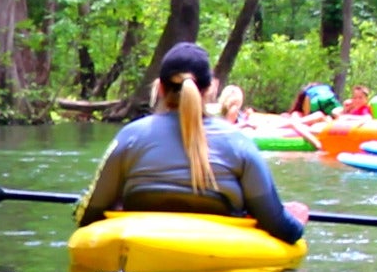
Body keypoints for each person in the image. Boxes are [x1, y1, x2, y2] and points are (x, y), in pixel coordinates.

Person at [74, 42, 309, 241]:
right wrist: (297, 219)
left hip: (142, 258)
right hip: (216, 271)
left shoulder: (129, 136)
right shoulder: (239, 142)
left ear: (160, 87)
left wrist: (89, 203)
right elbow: (279, 226)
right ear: (210, 89)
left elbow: (88, 215)